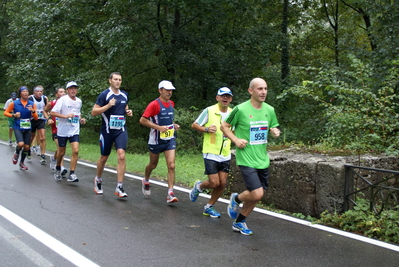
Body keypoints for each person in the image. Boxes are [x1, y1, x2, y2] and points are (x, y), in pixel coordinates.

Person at [221, 77, 281, 235]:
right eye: (260, 89)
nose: (263, 92)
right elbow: (224, 126)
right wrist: (235, 139)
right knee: (257, 193)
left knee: (256, 196)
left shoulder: (270, 110)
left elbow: (274, 127)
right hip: (246, 157)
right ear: (251, 91)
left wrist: (275, 131)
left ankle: (239, 222)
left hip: (262, 159)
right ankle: (236, 199)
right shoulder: (240, 110)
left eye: (265, 89)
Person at [189, 87, 234, 218]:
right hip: (211, 152)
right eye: (222, 96)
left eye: (228, 96)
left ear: (230, 99)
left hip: (225, 152)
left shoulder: (233, 114)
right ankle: (199, 187)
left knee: (223, 183)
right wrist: (207, 129)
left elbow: (235, 131)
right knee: (214, 183)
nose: (225, 98)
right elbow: (195, 125)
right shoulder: (209, 110)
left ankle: (209, 207)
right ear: (217, 98)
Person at [91, 72, 133, 197]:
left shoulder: (124, 95)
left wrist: (128, 111)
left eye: (120, 79)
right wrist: (108, 105)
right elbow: (94, 112)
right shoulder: (105, 95)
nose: (118, 82)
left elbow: (125, 107)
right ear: (110, 80)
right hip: (107, 131)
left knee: (121, 156)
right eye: (115, 79)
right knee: (104, 157)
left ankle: (119, 186)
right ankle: (98, 179)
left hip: (120, 130)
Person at [139, 80, 181, 203]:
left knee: (171, 165)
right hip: (156, 140)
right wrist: (158, 128)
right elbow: (142, 120)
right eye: (167, 90)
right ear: (160, 90)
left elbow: (167, 121)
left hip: (169, 139)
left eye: (171, 90)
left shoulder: (171, 104)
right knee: (153, 165)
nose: (169, 92)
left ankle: (170, 193)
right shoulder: (154, 104)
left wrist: (173, 125)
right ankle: (146, 179)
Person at [50, 81, 86, 182]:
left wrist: (81, 119)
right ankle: (57, 168)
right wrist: (65, 116)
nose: (73, 90)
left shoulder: (79, 101)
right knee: (61, 152)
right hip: (63, 130)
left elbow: (77, 113)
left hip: (74, 129)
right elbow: (52, 112)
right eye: (71, 88)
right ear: (67, 90)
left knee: (75, 150)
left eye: (75, 88)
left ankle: (72, 173)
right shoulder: (62, 100)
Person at [3, 86, 38, 170]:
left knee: (26, 147)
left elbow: (36, 118)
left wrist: (33, 111)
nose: (26, 93)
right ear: (20, 93)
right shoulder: (14, 103)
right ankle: (17, 152)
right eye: (24, 91)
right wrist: (14, 115)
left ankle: (22, 163)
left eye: (27, 91)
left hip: (27, 126)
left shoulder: (32, 104)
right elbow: (5, 112)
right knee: (20, 144)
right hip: (18, 125)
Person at [44, 87, 67, 176]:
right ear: (56, 94)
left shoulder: (68, 102)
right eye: (61, 92)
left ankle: (54, 158)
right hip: (56, 129)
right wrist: (48, 119)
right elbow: (45, 111)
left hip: (65, 128)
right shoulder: (52, 103)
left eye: (64, 92)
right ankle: (61, 167)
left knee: (60, 149)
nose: (63, 93)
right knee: (60, 148)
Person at [28, 85, 49, 164]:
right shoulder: (30, 98)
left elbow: (47, 108)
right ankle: (28, 149)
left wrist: (47, 116)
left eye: (41, 91)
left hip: (41, 120)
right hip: (32, 120)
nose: (39, 93)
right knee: (31, 137)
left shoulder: (44, 98)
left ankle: (42, 155)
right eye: (37, 91)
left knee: (43, 137)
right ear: (34, 92)